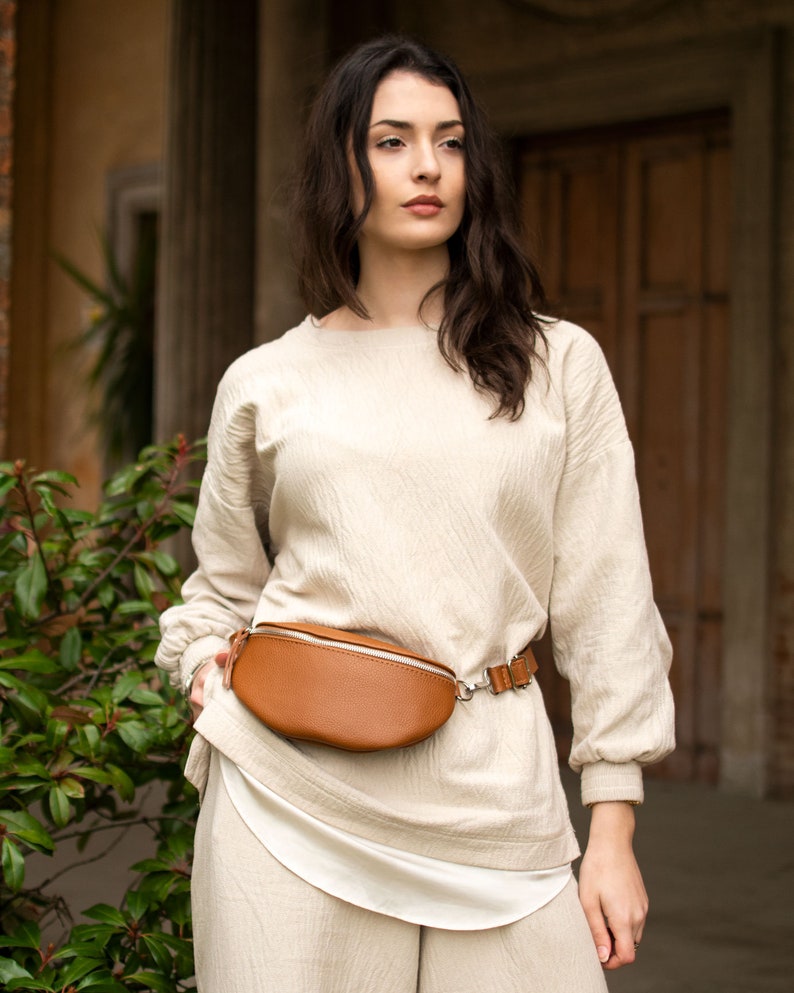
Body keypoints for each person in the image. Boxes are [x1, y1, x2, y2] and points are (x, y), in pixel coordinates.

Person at [155, 35, 675, 993]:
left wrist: (612, 821)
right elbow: (220, 585)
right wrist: (202, 666)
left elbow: (609, 595)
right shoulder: (268, 381)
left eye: (452, 140)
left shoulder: (559, 364)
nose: (429, 166)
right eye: (392, 141)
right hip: (290, 796)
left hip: (499, 801)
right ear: (339, 167)